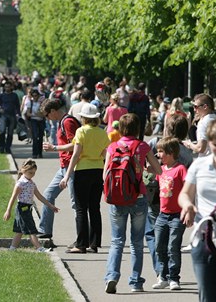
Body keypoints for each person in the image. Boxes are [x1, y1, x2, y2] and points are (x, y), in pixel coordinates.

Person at [179, 117, 216, 301]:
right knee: (207, 297)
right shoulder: (199, 165)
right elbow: (184, 194)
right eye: (215, 145)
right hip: (204, 237)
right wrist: (188, 205)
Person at [104, 113, 162, 294]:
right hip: (138, 198)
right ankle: (136, 282)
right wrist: (144, 168)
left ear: (120, 128)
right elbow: (158, 170)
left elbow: (105, 172)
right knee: (137, 242)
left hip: (117, 199)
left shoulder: (113, 146)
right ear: (138, 128)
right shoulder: (142, 146)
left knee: (116, 241)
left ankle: (112, 276)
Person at [60, 103, 110, 254]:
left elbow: (75, 155)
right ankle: (94, 244)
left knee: (81, 209)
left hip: (83, 171)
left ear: (83, 118)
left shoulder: (81, 131)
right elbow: (105, 153)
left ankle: (81, 244)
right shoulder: (102, 132)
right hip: (98, 170)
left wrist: (67, 175)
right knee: (95, 208)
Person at [40, 99, 80, 246]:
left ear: (53, 111)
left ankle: (81, 239)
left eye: (46, 115)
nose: (47, 118)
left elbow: (76, 145)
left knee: (76, 203)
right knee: (48, 194)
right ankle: (45, 229)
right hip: (63, 167)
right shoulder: (61, 122)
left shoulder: (67, 122)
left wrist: (54, 148)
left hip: (72, 167)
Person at [151, 138, 187, 290]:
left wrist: (188, 207)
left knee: (173, 247)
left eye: (161, 151)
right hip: (162, 214)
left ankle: (174, 278)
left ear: (171, 153)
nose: (158, 154)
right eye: (158, 151)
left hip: (177, 215)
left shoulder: (180, 169)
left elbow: (188, 188)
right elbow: (153, 181)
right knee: (159, 246)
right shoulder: (161, 169)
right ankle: (163, 276)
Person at [4, 159, 59, 251]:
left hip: (28, 208)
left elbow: (39, 196)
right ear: (23, 171)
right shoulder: (20, 183)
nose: (32, 174)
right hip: (22, 209)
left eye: (34, 173)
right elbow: (13, 197)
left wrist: (50, 205)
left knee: (19, 231)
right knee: (31, 229)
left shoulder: (31, 183)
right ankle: (39, 248)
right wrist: (8, 210)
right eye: (30, 172)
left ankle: (12, 248)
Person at [0, 81, 21, 154]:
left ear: (11, 87)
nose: (7, 88)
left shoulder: (14, 95)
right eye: (6, 87)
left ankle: (8, 147)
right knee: (2, 131)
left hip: (12, 115)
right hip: (3, 115)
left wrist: (18, 114)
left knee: (10, 133)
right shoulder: (2, 95)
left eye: (9, 86)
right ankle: (1, 146)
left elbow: (17, 106)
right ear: (4, 87)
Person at [23, 89, 46, 158]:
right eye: (33, 96)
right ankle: (34, 153)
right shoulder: (30, 103)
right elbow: (28, 113)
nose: (35, 97)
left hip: (41, 121)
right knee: (35, 137)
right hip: (34, 121)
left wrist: (39, 114)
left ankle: (40, 153)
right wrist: (36, 114)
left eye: (36, 96)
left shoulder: (41, 103)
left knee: (41, 137)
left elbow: (43, 114)